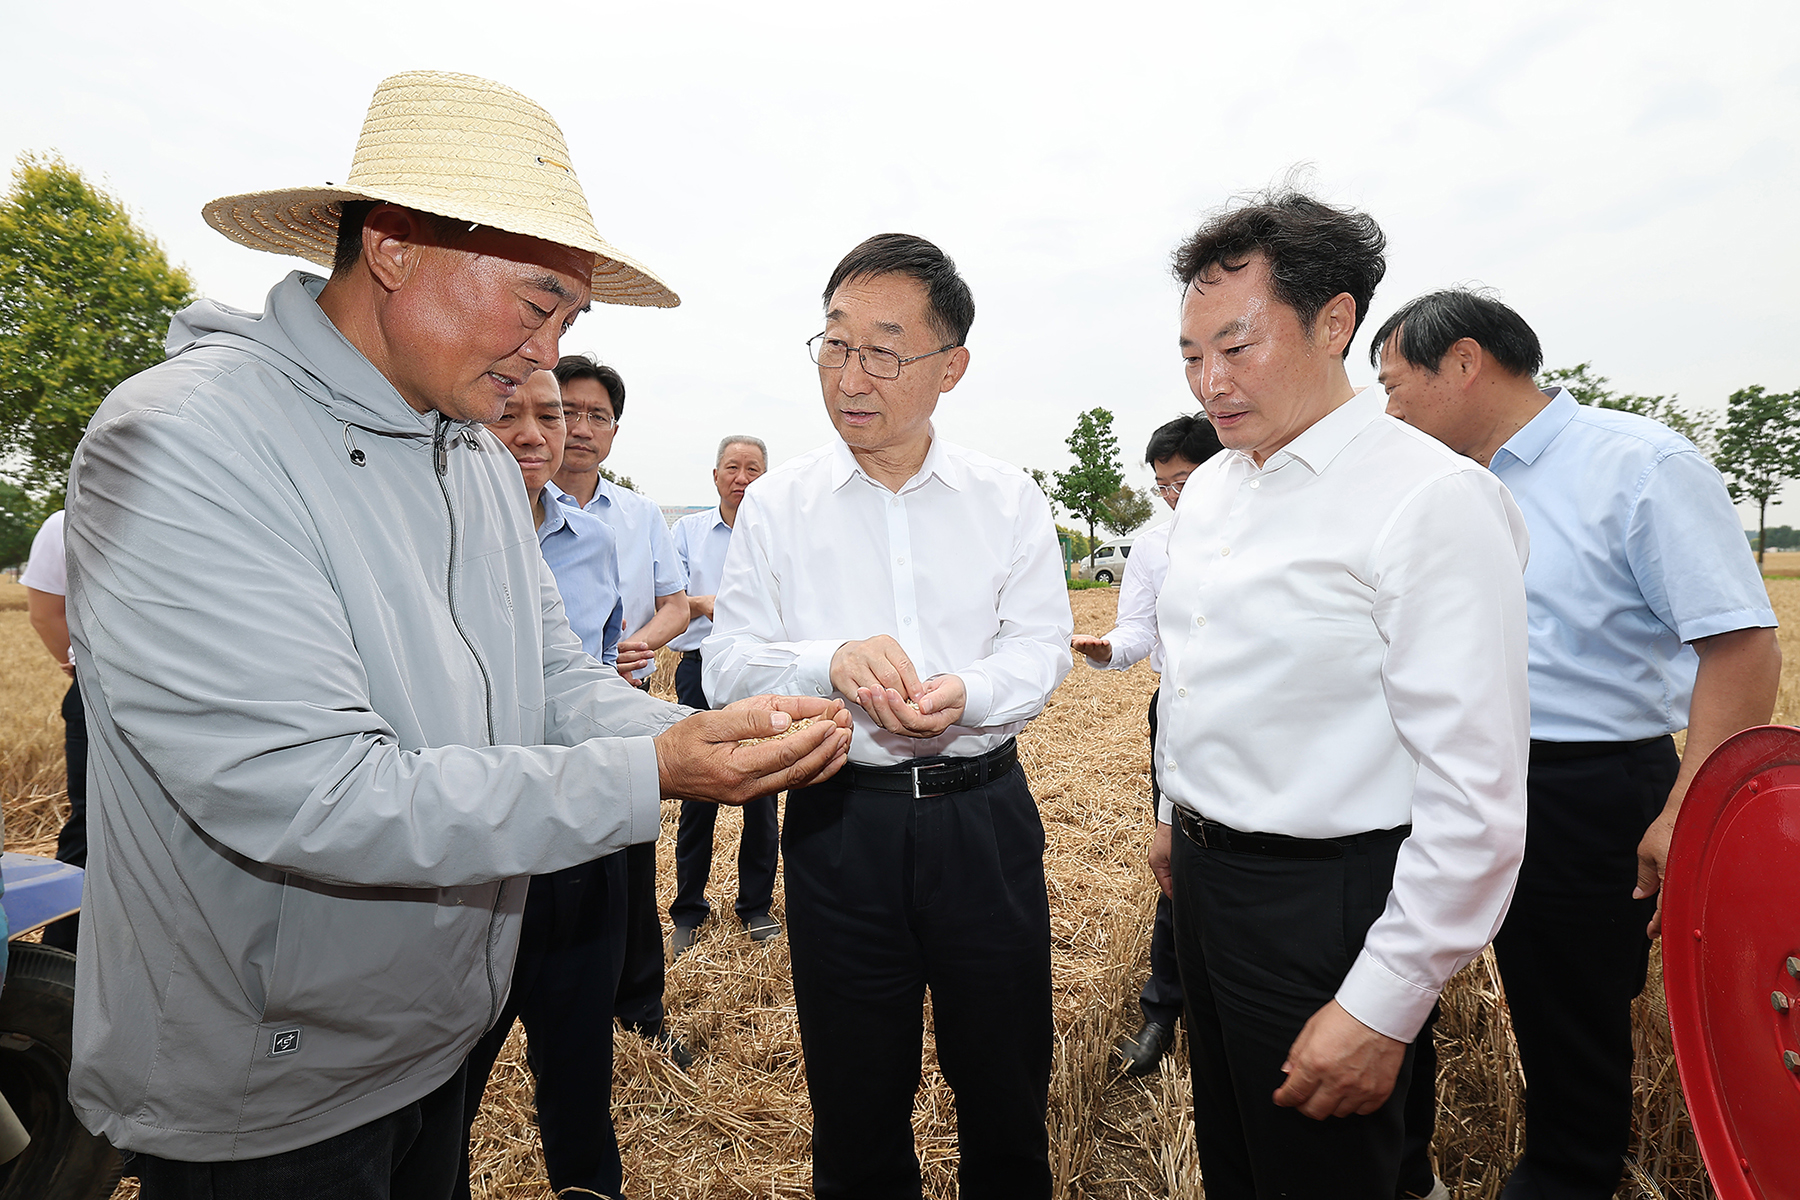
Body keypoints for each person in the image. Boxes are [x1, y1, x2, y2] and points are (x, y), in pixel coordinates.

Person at [60, 70, 850, 1200]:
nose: (546, 357)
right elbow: (310, 794)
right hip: (263, 1088)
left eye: (568, 323)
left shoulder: (469, 452)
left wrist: (697, 730)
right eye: (535, 305)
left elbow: (550, 679)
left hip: (431, 1041)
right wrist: (655, 771)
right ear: (393, 247)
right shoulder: (190, 442)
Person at [1150, 192, 1531, 1199]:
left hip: (1328, 904)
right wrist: (1175, 816)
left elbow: (1477, 793)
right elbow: (1195, 672)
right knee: (1239, 1159)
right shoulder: (1218, 486)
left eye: (1236, 346)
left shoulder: (1429, 499)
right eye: (1191, 355)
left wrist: (1382, 1005)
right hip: (1208, 886)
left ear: (1334, 322)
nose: (1211, 381)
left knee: (1325, 1174)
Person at [1373, 289, 1781, 1200]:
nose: (1388, 411)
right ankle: (1401, 1172)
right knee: (1396, 979)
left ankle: (1567, 1174)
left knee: (1569, 1014)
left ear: (1463, 363)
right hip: (1434, 771)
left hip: (1579, 787)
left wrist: (1684, 812)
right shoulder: (1433, 486)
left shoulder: (1639, 466)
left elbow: (1742, 647)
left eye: (1396, 386)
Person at [704, 233, 1074, 1199]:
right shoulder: (778, 506)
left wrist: (969, 695)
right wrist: (827, 659)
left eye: (883, 350)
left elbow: (1040, 646)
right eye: (835, 344)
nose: (851, 375)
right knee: (856, 1096)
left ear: (951, 367)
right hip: (841, 822)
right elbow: (728, 664)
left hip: (984, 820)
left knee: (1005, 1084)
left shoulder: (1007, 499)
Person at [455, 368, 632, 1200]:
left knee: (578, 1056)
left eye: (551, 416)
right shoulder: (432, 534)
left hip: (580, 824)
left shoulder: (593, 540)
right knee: (449, 1078)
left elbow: (585, 669)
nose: (533, 434)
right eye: (509, 413)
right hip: (472, 834)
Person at [550, 352, 693, 1066]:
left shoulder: (637, 516)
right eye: (566, 411)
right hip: (530, 723)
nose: (580, 428)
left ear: (614, 430)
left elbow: (676, 604)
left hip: (617, 709)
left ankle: (639, 1011)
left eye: (596, 416)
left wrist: (642, 644)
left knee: (630, 867)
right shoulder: (504, 502)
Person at [1071, 413, 1223, 1076]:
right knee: (1178, 859)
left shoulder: (1265, 529)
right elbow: (1137, 630)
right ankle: (1163, 1008)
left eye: (1182, 481)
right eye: (1162, 485)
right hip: (1180, 712)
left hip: (1258, 716)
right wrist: (1108, 649)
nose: (1172, 497)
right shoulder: (1155, 548)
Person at [668, 435, 780, 955]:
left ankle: (755, 906)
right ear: (715, 476)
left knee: (762, 790)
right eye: (732, 468)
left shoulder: (777, 534)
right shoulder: (687, 532)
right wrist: (703, 603)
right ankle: (688, 910)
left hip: (758, 673)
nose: (742, 478)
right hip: (698, 668)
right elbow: (667, 601)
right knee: (696, 791)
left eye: (753, 469)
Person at [20, 508, 87, 951]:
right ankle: (62, 964)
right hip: (103, 699)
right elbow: (45, 613)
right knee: (93, 828)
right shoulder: (66, 521)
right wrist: (84, 665)